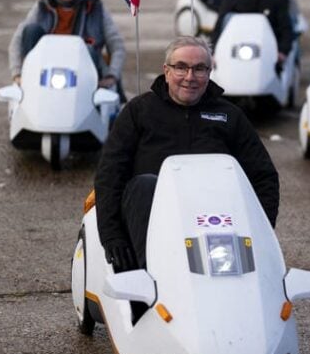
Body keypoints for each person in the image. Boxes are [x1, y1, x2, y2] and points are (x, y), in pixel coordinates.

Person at [94, 36, 279, 276]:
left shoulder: (230, 115)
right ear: (166, 71)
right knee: (143, 184)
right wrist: (112, 236)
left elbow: (263, 176)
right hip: (152, 217)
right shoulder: (138, 111)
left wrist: (262, 231)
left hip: (214, 217)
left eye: (199, 69)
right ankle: (150, 286)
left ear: (210, 72)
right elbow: (109, 175)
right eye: (181, 67)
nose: (190, 77)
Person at [8, 0, 125, 90]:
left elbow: (117, 44)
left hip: (85, 75)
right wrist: (17, 74)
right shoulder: (42, 5)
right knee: (31, 30)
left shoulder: (95, 6)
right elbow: (17, 40)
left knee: (89, 50)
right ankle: (28, 89)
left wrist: (112, 75)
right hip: (45, 72)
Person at [211, 0, 295, 68]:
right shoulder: (231, 0)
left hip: (268, 54)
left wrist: (283, 52)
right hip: (235, 51)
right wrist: (213, 52)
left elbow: (286, 28)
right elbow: (219, 28)